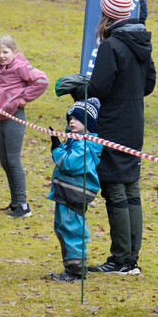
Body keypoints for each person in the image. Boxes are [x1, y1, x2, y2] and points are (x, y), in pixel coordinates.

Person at [86, 0, 157, 274]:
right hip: (134, 123)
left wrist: (80, 88)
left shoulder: (112, 45)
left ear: (106, 13)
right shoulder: (141, 41)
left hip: (113, 124)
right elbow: (149, 84)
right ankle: (130, 258)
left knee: (115, 189)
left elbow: (98, 88)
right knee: (131, 189)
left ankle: (121, 259)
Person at [43, 99, 104, 282]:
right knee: (63, 228)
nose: (72, 122)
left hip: (74, 194)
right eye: (70, 118)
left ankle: (76, 271)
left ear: (88, 124)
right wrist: (58, 144)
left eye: (77, 119)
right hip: (65, 193)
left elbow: (68, 163)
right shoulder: (75, 140)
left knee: (72, 230)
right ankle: (71, 267)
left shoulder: (85, 144)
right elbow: (67, 156)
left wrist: (56, 149)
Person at [0, 35, 49, 218]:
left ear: (14, 52)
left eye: (5, 52)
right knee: (5, 161)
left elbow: (42, 81)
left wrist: (24, 98)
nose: (1, 56)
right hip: (2, 117)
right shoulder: (2, 68)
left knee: (13, 161)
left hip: (14, 117)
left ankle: (23, 205)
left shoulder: (20, 66)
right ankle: (15, 202)